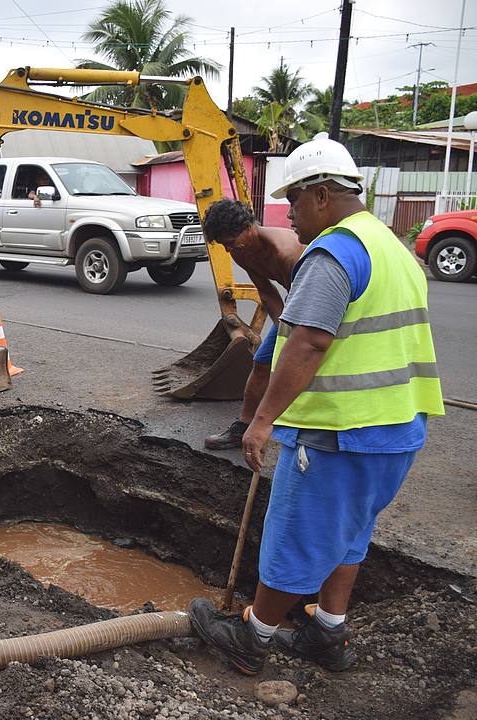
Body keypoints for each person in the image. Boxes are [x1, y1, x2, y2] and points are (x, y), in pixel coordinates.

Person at [188, 133, 444, 676]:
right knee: (349, 533)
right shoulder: (389, 245)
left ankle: (252, 639)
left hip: (339, 432)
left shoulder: (331, 253)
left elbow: (308, 342)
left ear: (322, 195)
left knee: (296, 532)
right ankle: (327, 634)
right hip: (396, 429)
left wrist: (258, 423)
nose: (291, 216)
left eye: (295, 202)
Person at [201, 199, 304, 450]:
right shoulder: (241, 251)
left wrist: (293, 338)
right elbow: (267, 294)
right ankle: (243, 428)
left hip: (308, 302)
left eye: (231, 242)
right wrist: (282, 329)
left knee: (299, 368)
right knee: (261, 363)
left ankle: (305, 433)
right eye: (224, 245)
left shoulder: (285, 250)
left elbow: (302, 297)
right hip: (292, 306)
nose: (228, 250)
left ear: (248, 227)